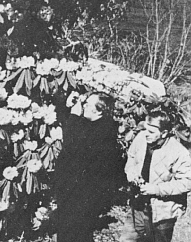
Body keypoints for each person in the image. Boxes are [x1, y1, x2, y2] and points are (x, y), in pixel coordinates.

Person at [54, 92, 122, 242]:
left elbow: (71, 143)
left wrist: (73, 116)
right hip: (72, 188)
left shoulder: (104, 129)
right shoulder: (93, 122)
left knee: (76, 231)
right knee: (67, 228)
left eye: (88, 104)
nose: (84, 106)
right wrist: (68, 108)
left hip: (82, 192)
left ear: (98, 110)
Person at [122, 108, 191, 242]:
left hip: (162, 213)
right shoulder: (141, 138)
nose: (145, 134)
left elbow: (187, 182)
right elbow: (131, 158)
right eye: (145, 129)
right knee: (127, 238)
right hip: (138, 205)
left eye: (151, 132)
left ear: (164, 133)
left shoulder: (178, 152)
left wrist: (156, 189)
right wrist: (132, 174)